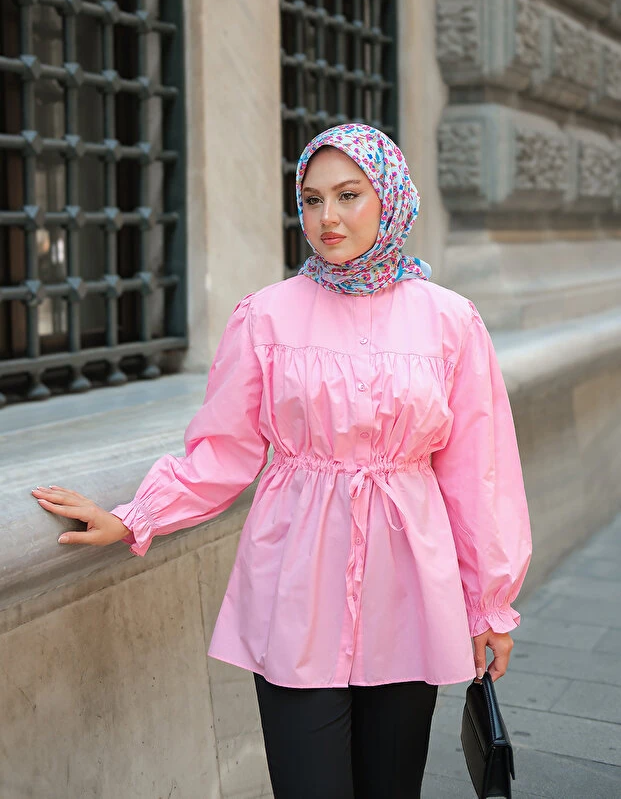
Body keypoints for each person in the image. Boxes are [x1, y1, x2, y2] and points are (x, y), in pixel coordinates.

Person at [32, 123, 532, 799]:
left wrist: (489, 604)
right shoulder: (265, 316)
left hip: (409, 587)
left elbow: (479, 474)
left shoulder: (452, 322)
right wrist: (135, 516)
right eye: (312, 199)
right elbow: (222, 451)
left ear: (389, 197)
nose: (327, 218)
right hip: (297, 583)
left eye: (348, 195)